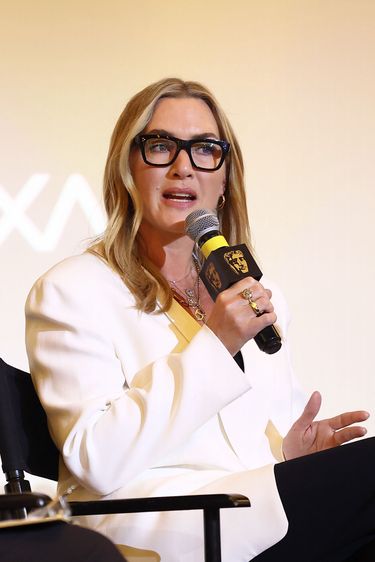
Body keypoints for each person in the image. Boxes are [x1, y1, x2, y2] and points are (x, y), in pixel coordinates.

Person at [25, 78, 375, 562]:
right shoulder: (72, 290)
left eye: (205, 149)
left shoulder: (250, 289)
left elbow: (250, 445)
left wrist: (290, 453)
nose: (184, 166)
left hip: (255, 510)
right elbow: (97, 459)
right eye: (161, 146)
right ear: (128, 168)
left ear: (225, 177)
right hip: (167, 526)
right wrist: (215, 342)